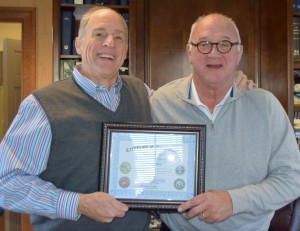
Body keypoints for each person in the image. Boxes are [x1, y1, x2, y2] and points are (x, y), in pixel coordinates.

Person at [0, 7, 252, 231]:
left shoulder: (142, 93)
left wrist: (227, 79)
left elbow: (185, 106)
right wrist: (78, 203)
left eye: (119, 37)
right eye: (99, 34)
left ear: (126, 49)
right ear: (77, 43)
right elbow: (6, 183)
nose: (110, 43)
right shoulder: (42, 105)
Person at [150, 13, 300, 231]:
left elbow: (292, 179)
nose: (214, 52)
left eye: (225, 44)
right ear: (188, 52)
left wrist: (233, 201)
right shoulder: (160, 103)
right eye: (203, 44)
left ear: (239, 52)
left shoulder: (266, 106)